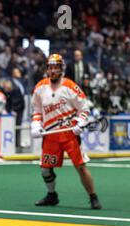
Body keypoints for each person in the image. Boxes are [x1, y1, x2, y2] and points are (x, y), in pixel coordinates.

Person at [30, 54, 102, 210]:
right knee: (45, 169)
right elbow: (37, 110)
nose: (53, 70)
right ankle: (52, 195)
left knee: (81, 166)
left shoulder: (70, 86)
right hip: (50, 135)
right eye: (50, 67)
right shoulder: (40, 87)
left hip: (70, 135)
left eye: (56, 67)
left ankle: (93, 196)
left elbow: (84, 109)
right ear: (47, 69)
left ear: (61, 68)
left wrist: (80, 122)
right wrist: (36, 125)